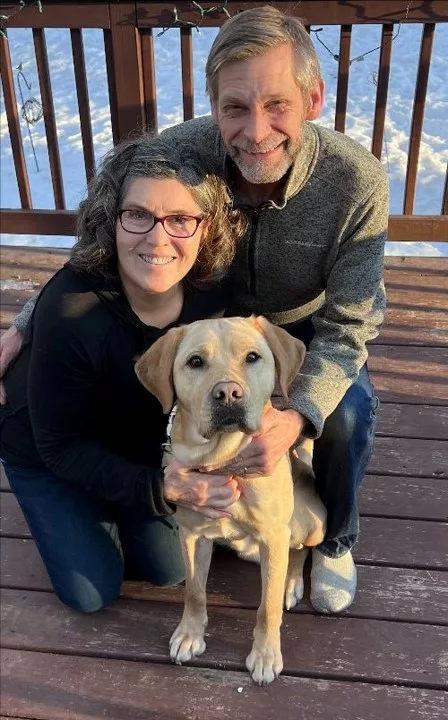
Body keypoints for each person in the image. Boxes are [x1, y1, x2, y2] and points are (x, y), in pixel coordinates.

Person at [1, 6, 389, 614]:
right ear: (214, 106)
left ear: (313, 98)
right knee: (142, 566)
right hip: (210, 322)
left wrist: (298, 415)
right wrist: (30, 320)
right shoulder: (180, 150)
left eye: (277, 105)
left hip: (308, 326)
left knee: (348, 414)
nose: (255, 131)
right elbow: (108, 237)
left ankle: (334, 537)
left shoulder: (356, 178)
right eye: (235, 107)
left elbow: (353, 322)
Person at [0, 134, 247, 612]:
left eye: (179, 219)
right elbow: (61, 447)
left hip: (137, 437)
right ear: (110, 220)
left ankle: (116, 504)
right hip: (50, 447)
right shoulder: (70, 313)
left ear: (206, 228)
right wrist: (165, 488)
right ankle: (81, 509)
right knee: (91, 592)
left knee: (169, 569)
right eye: (137, 215)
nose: (158, 239)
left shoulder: (212, 296)